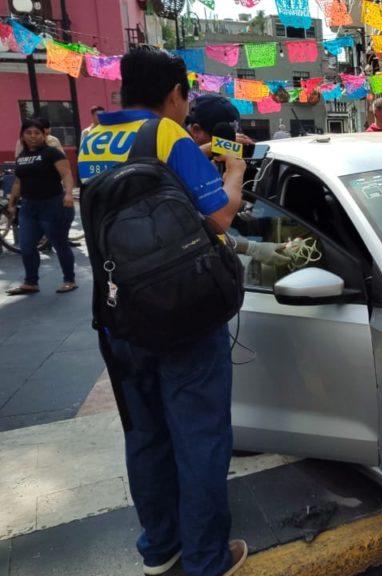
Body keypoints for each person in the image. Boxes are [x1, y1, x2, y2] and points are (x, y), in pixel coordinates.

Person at [77, 46, 247, 576]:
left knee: (145, 434)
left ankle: (160, 547)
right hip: (182, 316)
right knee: (200, 438)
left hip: (120, 314)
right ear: (175, 93)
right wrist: (236, 171)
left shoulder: (91, 139)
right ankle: (206, 559)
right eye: (184, 96)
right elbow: (219, 216)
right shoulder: (168, 135)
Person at [186, 94, 288, 266]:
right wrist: (251, 248)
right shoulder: (174, 153)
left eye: (232, 137)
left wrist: (244, 206)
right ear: (196, 131)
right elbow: (204, 229)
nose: (229, 147)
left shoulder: (214, 159)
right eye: (223, 140)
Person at [4, 118, 77, 295]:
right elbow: (18, 182)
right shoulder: (22, 157)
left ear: (43, 135)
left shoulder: (52, 153)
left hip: (52, 205)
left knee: (60, 244)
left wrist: (68, 193)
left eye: (37, 133)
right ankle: (31, 283)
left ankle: (69, 280)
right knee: (27, 246)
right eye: (28, 133)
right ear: (22, 135)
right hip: (29, 207)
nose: (33, 136)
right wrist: (12, 203)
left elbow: (66, 174)